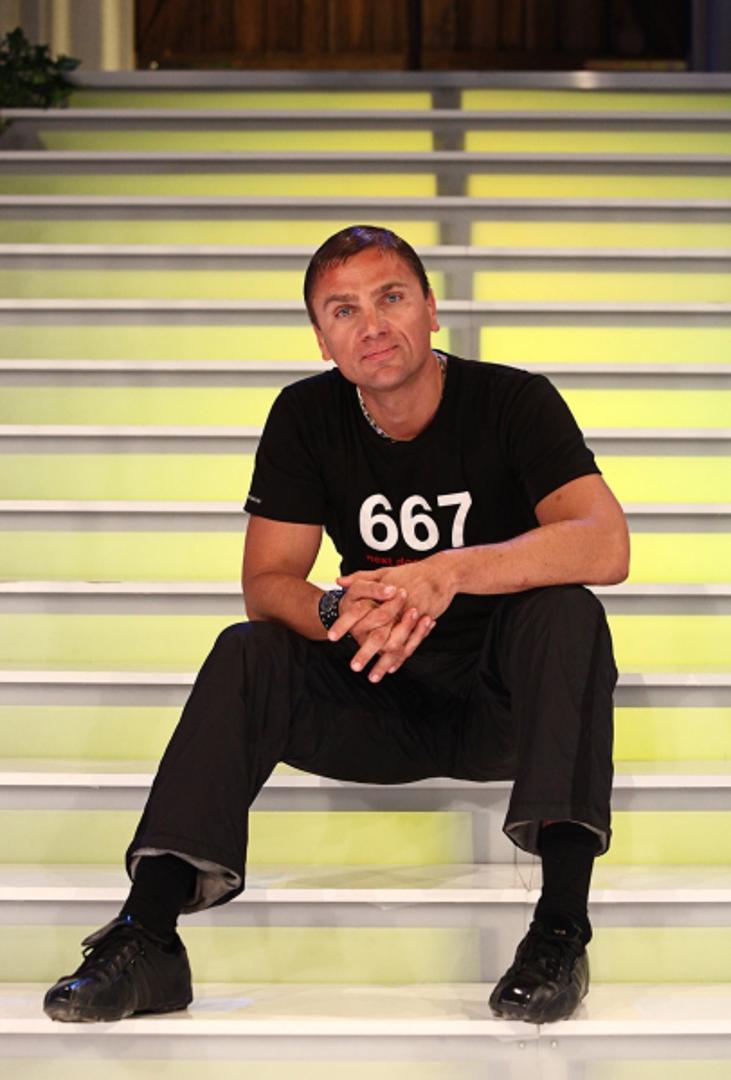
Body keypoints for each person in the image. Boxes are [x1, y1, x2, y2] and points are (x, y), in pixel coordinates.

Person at [44, 225, 628, 1026]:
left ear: (430, 308)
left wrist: (446, 572)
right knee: (247, 651)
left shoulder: (511, 401)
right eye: (343, 310)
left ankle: (558, 933)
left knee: (569, 612)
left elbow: (604, 543)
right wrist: (333, 609)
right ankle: (149, 937)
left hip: (503, 706)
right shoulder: (305, 414)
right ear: (322, 338)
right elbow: (266, 583)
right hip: (376, 697)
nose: (371, 325)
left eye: (390, 298)